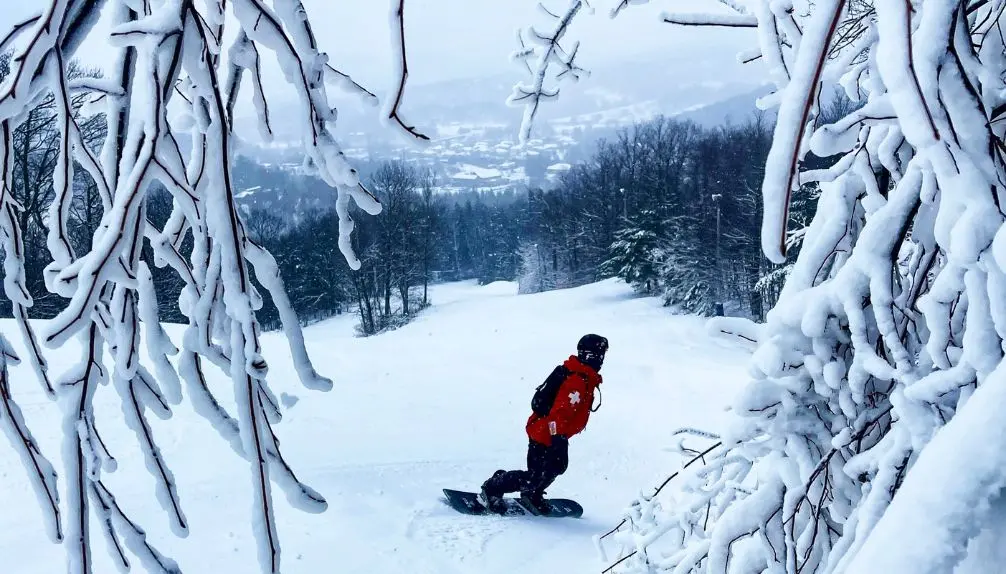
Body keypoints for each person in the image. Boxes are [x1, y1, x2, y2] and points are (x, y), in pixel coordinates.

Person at [478, 334, 608, 514]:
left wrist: (559, 438)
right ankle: (493, 487)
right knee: (536, 475)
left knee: (555, 467)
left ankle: (532, 493)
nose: (601, 359)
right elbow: (558, 414)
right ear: (588, 355)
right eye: (598, 354)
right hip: (543, 432)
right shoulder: (577, 380)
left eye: (602, 354)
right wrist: (557, 439)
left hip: (553, 433)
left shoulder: (585, 377)